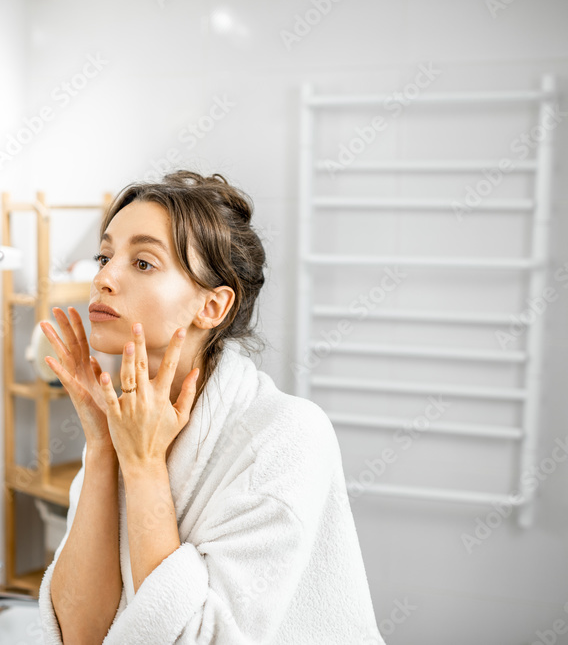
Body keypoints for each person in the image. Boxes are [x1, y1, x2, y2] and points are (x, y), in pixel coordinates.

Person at [35, 170, 384, 644]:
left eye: (142, 263)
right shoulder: (124, 424)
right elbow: (78, 634)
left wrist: (142, 466)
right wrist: (102, 448)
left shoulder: (289, 436)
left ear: (213, 307)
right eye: (104, 255)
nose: (102, 278)